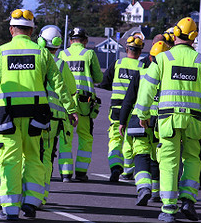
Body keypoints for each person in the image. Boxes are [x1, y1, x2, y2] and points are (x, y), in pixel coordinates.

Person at [0, 9, 77, 221]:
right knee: (35, 157)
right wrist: (71, 109)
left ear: (11, 29)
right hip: (37, 115)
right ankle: (32, 202)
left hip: (7, 116)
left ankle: (10, 208)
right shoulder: (41, 53)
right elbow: (58, 84)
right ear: (32, 31)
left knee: (10, 160)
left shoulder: (0, 52)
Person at [134, 17, 201, 223]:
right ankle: (188, 200)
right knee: (192, 159)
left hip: (167, 121)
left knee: (169, 162)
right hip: (195, 122)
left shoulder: (163, 59)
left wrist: (142, 114)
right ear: (193, 37)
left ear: (175, 34)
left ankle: (168, 208)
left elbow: (147, 89)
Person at [119, 41, 170, 206]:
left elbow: (128, 100)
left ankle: (143, 188)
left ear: (150, 57)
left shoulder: (141, 73)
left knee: (141, 154)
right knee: (156, 156)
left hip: (140, 120)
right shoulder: (169, 77)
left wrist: (122, 122)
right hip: (160, 121)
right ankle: (156, 192)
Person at [38, 25, 78, 204]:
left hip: (32, 113)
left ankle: (25, 192)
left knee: (29, 155)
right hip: (53, 118)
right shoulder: (61, 64)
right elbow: (71, 90)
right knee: (46, 157)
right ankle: (42, 196)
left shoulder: (35, 58)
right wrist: (72, 111)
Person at [58, 27, 103, 182]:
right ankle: (81, 172)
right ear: (85, 41)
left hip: (65, 101)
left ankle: (65, 173)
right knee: (85, 137)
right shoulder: (89, 54)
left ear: (70, 40)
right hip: (84, 104)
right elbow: (98, 77)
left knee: (66, 136)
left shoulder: (63, 54)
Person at [102, 34, 145, 182]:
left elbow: (104, 83)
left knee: (115, 137)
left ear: (127, 49)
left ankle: (115, 166)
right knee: (129, 138)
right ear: (140, 52)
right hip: (133, 109)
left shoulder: (117, 63)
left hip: (116, 108)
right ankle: (127, 171)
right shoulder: (142, 67)